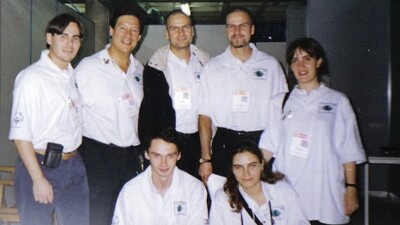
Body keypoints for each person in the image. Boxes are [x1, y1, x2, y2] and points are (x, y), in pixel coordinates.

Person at [259, 37, 366, 225]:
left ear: (318, 62)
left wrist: (351, 187)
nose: (301, 65)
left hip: (326, 191)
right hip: (288, 187)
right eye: (294, 60)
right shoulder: (279, 102)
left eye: (307, 58)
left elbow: (348, 148)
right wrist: (249, 174)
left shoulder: (338, 101)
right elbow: (268, 145)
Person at [8, 13, 88, 225]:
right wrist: (38, 179)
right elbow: (20, 134)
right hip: (40, 165)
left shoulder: (72, 77)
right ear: (49, 38)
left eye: (76, 38)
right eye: (63, 36)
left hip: (74, 166)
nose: (70, 43)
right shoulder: (32, 78)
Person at [198, 6, 288, 182]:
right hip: (224, 142)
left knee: (259, 200)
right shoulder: (212, 67)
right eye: (232, 26)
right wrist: (206, 158)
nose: (237, 31)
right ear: (226, 30)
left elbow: (281, 115)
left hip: (261, 143)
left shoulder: (271, 66)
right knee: (224, 200)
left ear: (252, 29)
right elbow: (204, 117)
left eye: (243, 26)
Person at [74, 7, 145, 225]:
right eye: (123, 28)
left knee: (129, 217)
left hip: (130, 158)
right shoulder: (88, 67)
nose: (128, 35)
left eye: (134, 30)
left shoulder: (139, 70)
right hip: (97, 157)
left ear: (139, 37)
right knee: (98, 218)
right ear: (111, 31)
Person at [138, 9, 210, 177]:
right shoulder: (155, 67)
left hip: (197, 142)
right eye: (174, 28)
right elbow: (148, 112)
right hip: (167, 142)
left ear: (192, 31)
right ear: (166, 34)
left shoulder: (207, 64)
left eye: (185, 27)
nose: (181, 33)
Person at [112, 128, 208, 225]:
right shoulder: (130, 191)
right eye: (157, 156)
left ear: (179, 155)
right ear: (147, 154)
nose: (164, 163)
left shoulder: (195, 189)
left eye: (170, 156)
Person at [209, 141, 309, 225]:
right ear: (232, 170)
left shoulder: (283, 192)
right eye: (238, 167)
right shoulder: (222, 199)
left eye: (252, 166)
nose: (246, 173)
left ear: (262, 165)